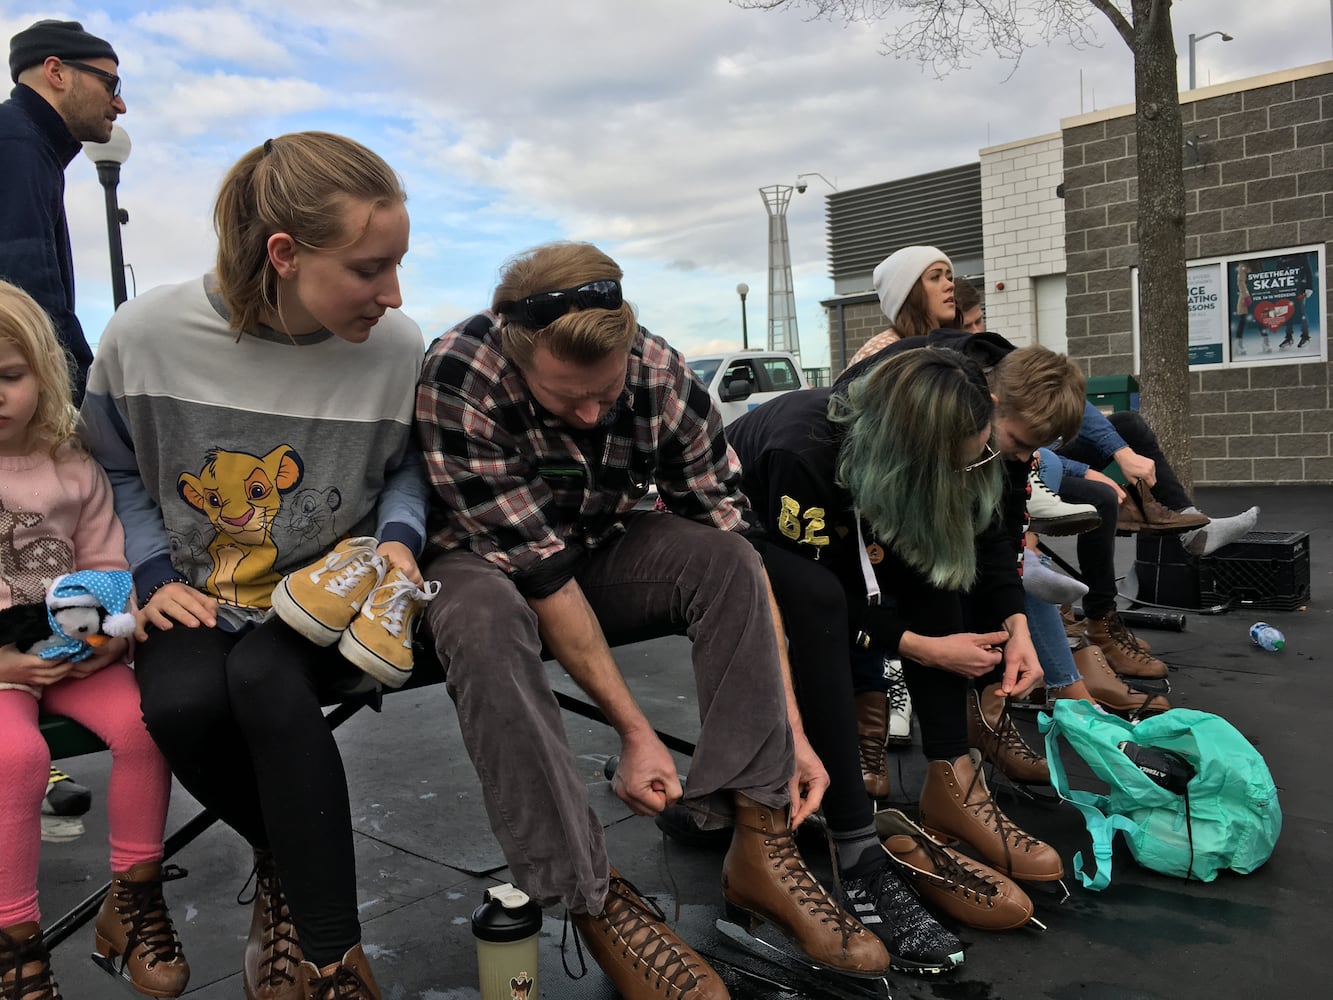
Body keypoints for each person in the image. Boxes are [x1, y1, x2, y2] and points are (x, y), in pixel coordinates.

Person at [415, 241, 890, 1000]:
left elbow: (736, 540)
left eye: (603, 394)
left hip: (599, 544)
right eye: (565, 398)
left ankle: (761, 843)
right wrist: (635, 735)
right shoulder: (461, 372)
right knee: (480, 620)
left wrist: (791, 730)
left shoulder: (661, 375)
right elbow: (542, 576)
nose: (591, 414)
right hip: (481, 563)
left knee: (729, 563)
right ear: (515, 351)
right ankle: (592, 895)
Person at [80, 132, 432, 1000]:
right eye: (367, 268)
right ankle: (288, 861)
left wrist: (399, 535)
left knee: (266, 684)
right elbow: (114, 465)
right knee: (184, 701)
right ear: (284, 254)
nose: (393, 295)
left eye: (398, 265)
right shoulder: (144, 335)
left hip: (332, 599)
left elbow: (409, 466)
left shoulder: (396, 348)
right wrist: (154, 573)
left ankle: (328, 959)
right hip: (194, 597)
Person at [728, 345, 1067, 886]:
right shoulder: (803, 456)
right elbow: (826, 606)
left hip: (855, 492)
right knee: (821, 599)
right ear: (913, 455)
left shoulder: (960, 434)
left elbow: (984, 536)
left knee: (937, 568)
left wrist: (1015, 624)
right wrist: (918, 646)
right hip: (754, 527)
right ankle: (850, 832)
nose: (977, 468)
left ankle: (952, 778)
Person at [0, 280, 188, 998]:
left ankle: (135, 899)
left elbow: (105, 562)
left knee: (146, 725)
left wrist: (99, 638)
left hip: (62, 634)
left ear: (42, 375)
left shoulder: (70, 464)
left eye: (9, 377)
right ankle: (16, 941)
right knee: (17, 756)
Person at [1, 19, 126, 404]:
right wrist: (81, 403)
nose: (119, 104)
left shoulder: (22, 140)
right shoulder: (17, 144)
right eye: (110, 85)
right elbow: (28, 294)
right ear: (56, 71)